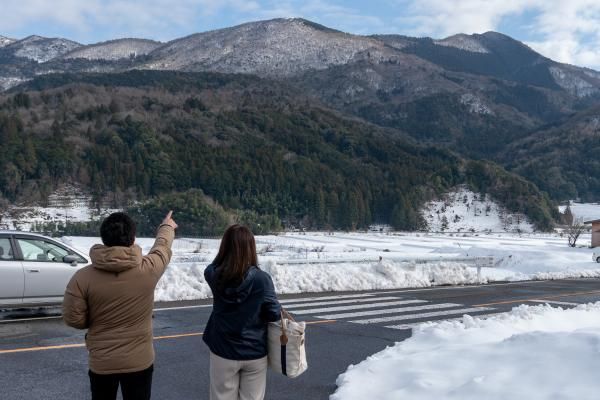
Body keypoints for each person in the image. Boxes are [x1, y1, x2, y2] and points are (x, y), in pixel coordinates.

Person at [63, 211, 178, 400]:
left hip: (102, 363)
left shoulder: (82, 277)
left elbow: (72, 318)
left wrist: (95, 321)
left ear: (104, 238)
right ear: (133, 238)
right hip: (139, 361)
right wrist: (166, 226)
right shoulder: (148, 269)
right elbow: (162, 249)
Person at [203, 224, 281, 400]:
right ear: (251, 248)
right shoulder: (262, 280)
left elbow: (212, 266)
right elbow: (274, 314)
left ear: (225, 248)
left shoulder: (214, 275)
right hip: (254, 352)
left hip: (223, 350)